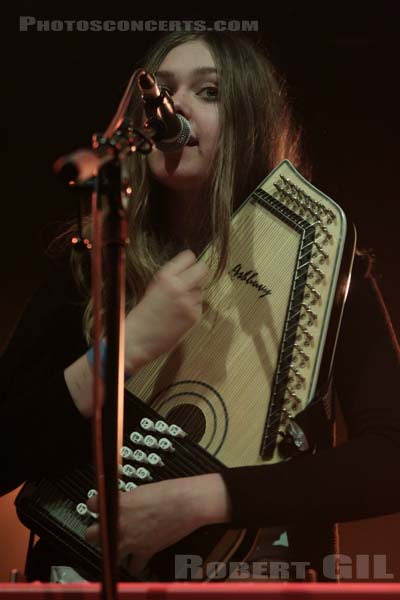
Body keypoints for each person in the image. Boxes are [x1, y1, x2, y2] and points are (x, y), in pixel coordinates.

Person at [1, 30, 399, 583]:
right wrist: (124, 350)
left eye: (208, 92)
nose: (175, 107)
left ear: (250, 122)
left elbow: (391, 459)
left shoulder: (325, 268)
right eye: (160, 91)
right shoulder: (89, 269)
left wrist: (202, 499)